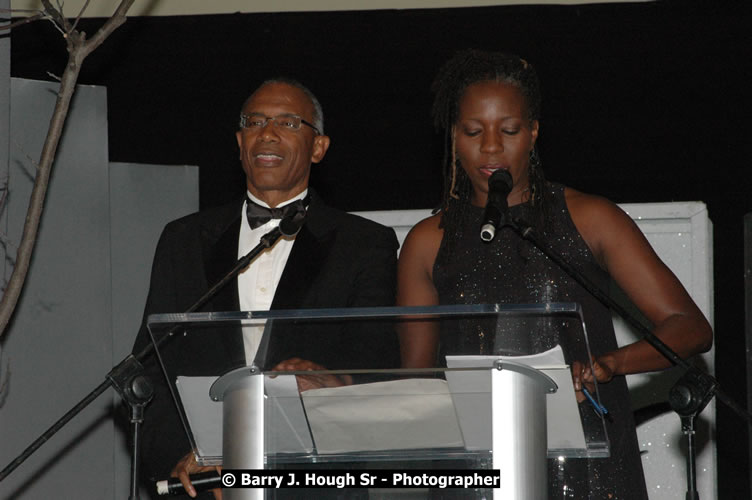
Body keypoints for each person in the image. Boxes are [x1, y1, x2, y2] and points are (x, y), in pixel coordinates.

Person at [397, 49, 713, 499]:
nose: (490, 147)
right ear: (453, 138)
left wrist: (609, 365)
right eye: (472, 131)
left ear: (532, 133)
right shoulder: (428, 240)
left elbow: (690, 328)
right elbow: (416, 379)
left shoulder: (589, 217)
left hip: (588, 462)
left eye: (508, 130)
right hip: (474, 467)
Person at [131, 78, 399, 499]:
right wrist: (185, 454)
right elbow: (151, 371)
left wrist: (330, 378)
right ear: (240, 142)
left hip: (312, 483)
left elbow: (378, 364)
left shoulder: (365, 245)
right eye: (255, 122)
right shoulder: (183, 239)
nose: (268, 133)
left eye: (289, 123)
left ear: (318, 147)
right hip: (205, 484)